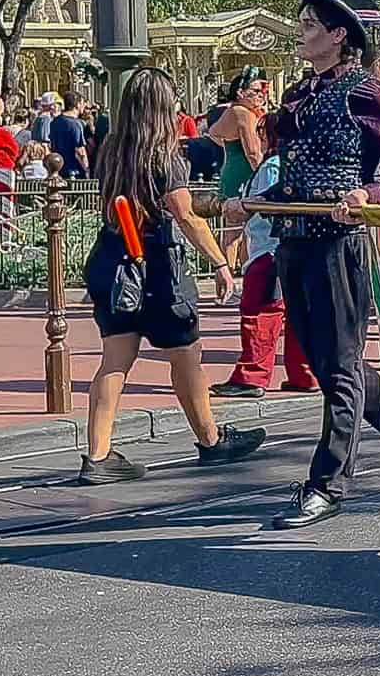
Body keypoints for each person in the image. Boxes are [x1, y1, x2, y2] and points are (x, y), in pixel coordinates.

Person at [223, 0, 380, 529]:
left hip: (342, 246)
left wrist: (366, 195)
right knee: (329, 368)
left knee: (342, 365)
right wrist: (252, 202)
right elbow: (295, 183)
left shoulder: (370, 93)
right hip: (294, 244)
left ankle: (327, 483)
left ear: (339, 35)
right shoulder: (302, 95)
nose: (299, 34)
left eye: (308, 27)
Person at [77, 68, 266, 484]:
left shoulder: (111, 148)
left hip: (114, 258)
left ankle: (97, 453)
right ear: (164, 107)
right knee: (186, 355)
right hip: (158, 265)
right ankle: (211, 439)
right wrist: (219, 261)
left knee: (115, 359)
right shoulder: (167, 155)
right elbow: (184, 214)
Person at [210, 115, 318, 399]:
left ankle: (252, 375)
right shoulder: (302, 165)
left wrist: (241, 205)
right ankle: (304, 373)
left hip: (269, 249)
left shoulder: (273, 166)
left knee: (260, 313)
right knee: (297, 315)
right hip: (296, 248)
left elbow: (267, 203)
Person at [208, 67, 270, 261]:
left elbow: (214, 133)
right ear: (241, 93)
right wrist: (264, 176)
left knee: (242, 231)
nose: (260, 96)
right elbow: (253, 153)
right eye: (255, 92)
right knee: (235, 231)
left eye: (263, 92)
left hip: (235, 170)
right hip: (243, 175)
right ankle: (229, 276)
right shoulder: (242, 113)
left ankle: (242, 274)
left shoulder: (235, 111)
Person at [48, 92, 89, 178]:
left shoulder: (54, 122)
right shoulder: (76, 124)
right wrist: (86, 168)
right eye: (82, 103)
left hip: (58, 168)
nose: (84, 106)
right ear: (77, 105)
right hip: (73, 171)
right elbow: (80, 150)